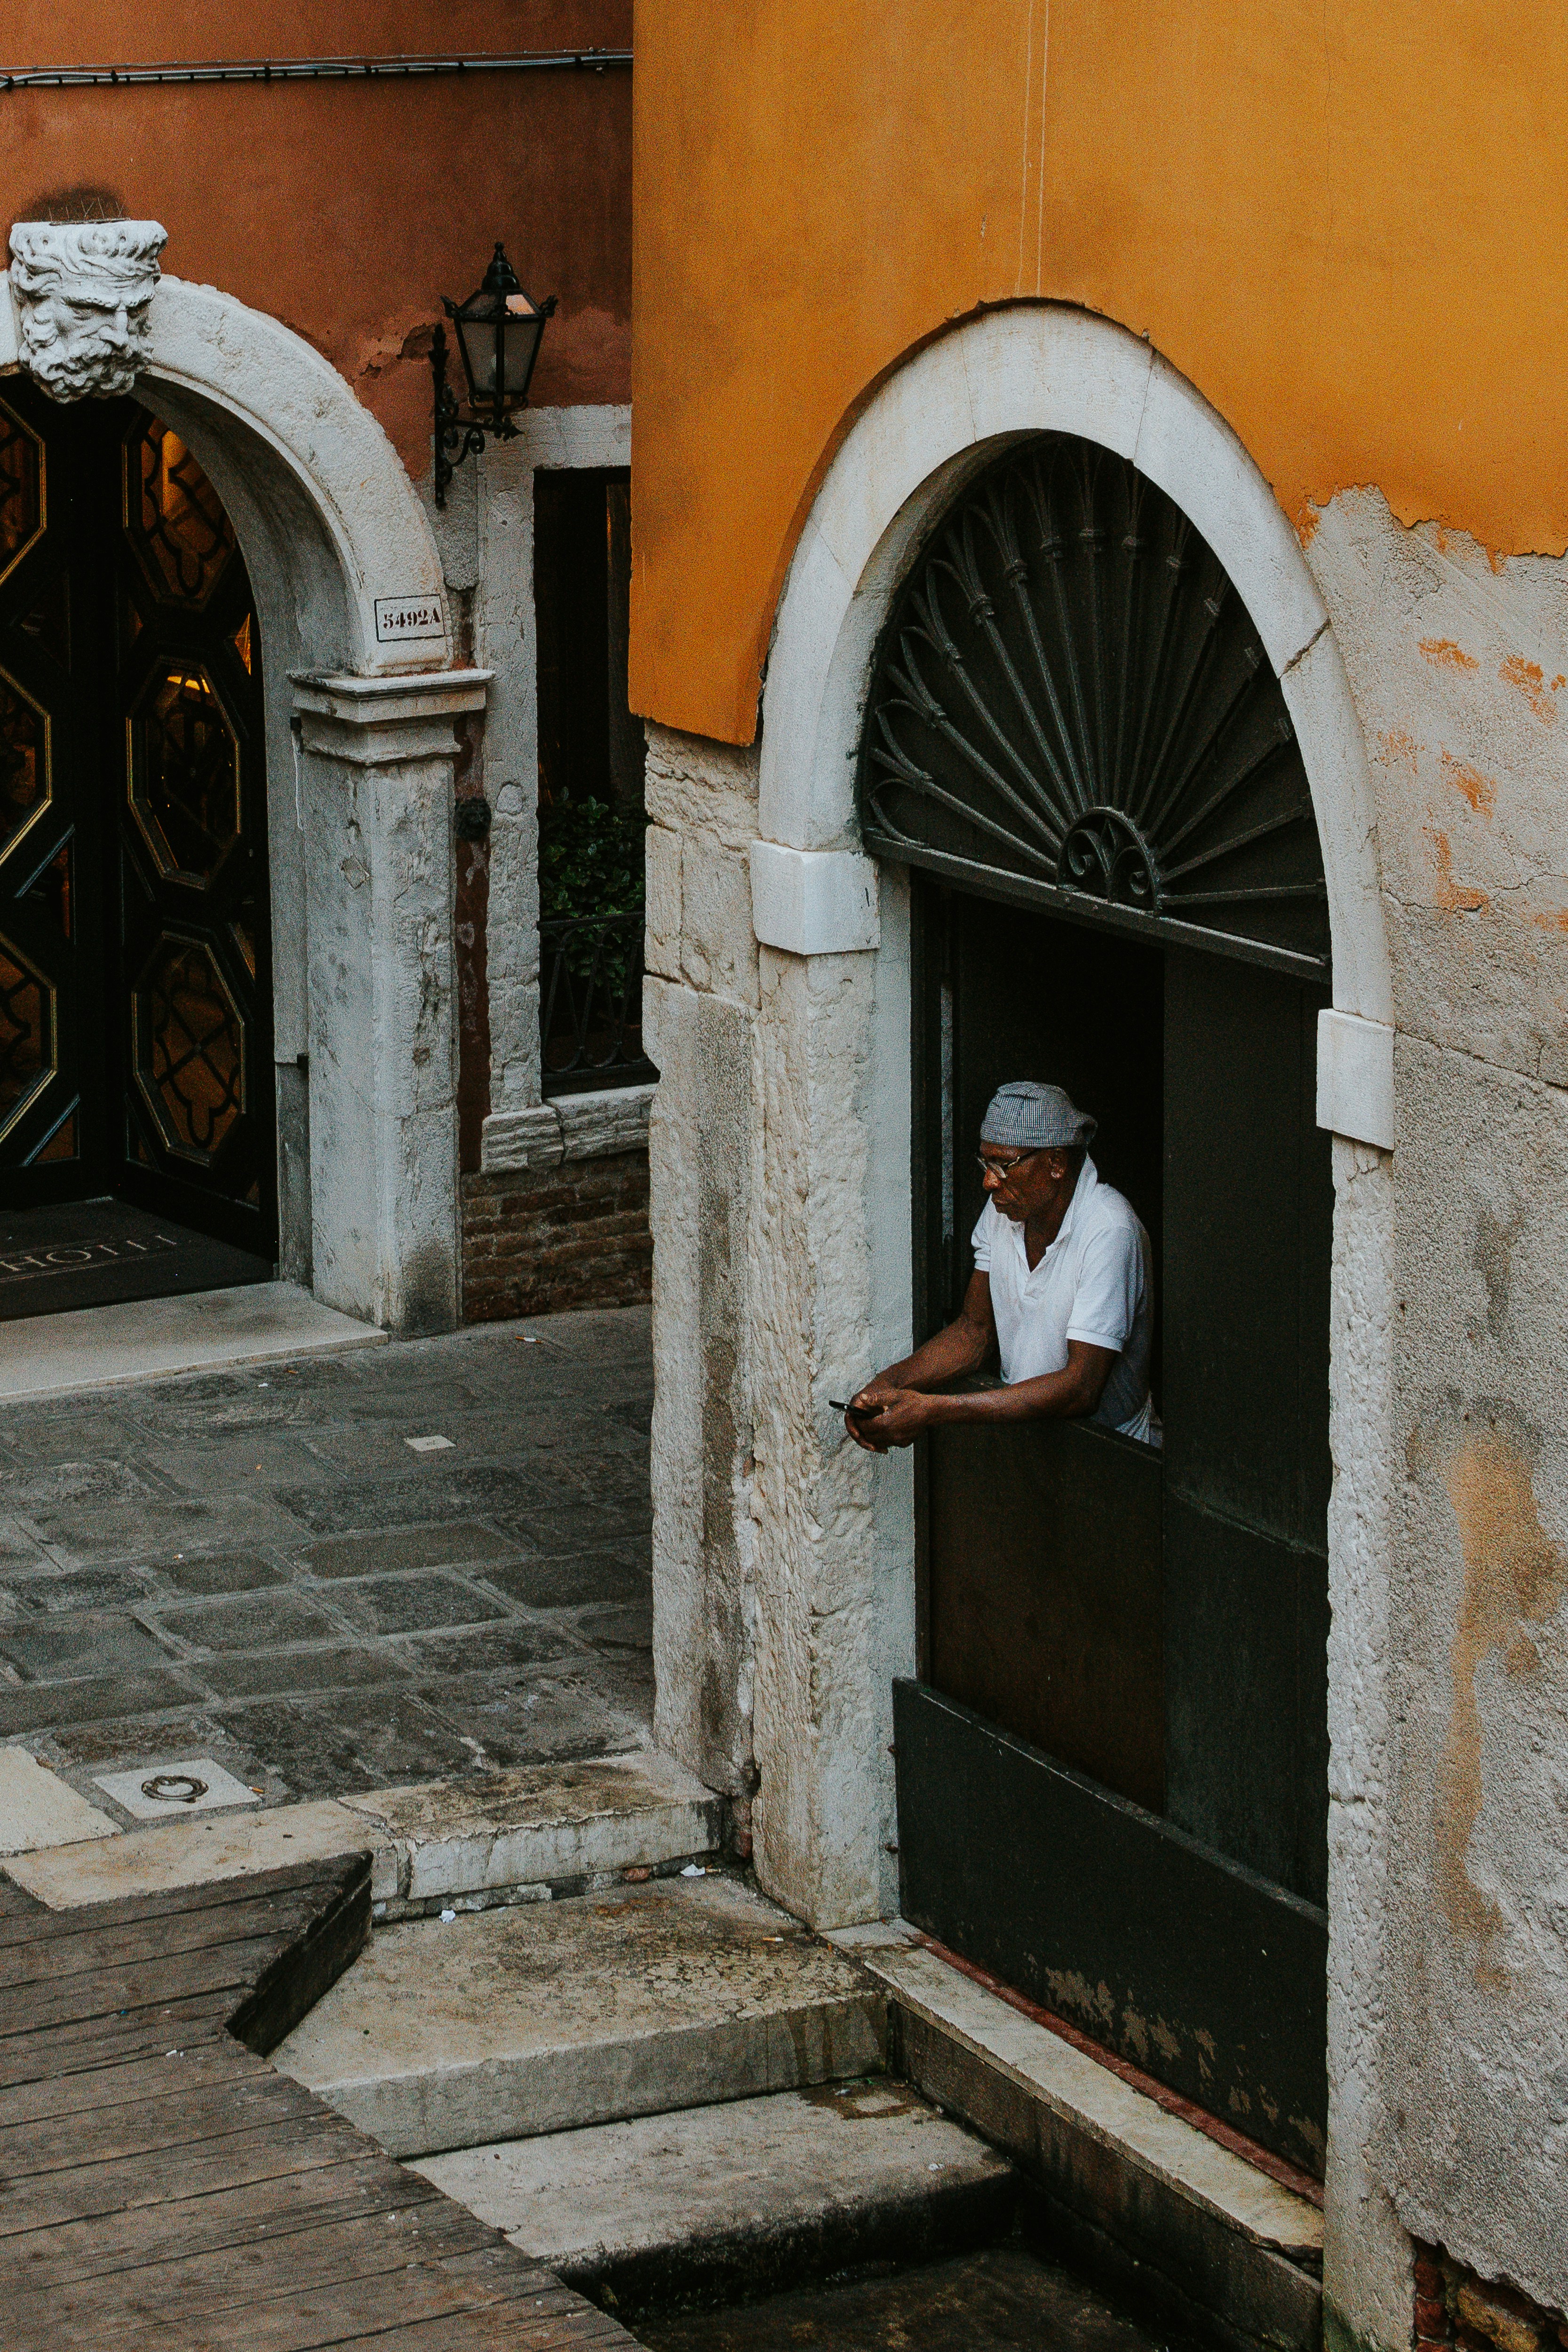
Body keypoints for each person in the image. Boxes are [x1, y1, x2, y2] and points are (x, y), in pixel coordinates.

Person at [846, 1080, 1156, 1450]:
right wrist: (889, 1384)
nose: (988, 1181)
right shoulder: (1006, 1209)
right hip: (1028, 1439)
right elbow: (973, 1332)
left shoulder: (1109, 1230)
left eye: (1002, 1165)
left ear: (1056, 1163)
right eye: (985, 1162)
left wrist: (933, 1410)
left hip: (1110, 1453)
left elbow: (1081, 1388)